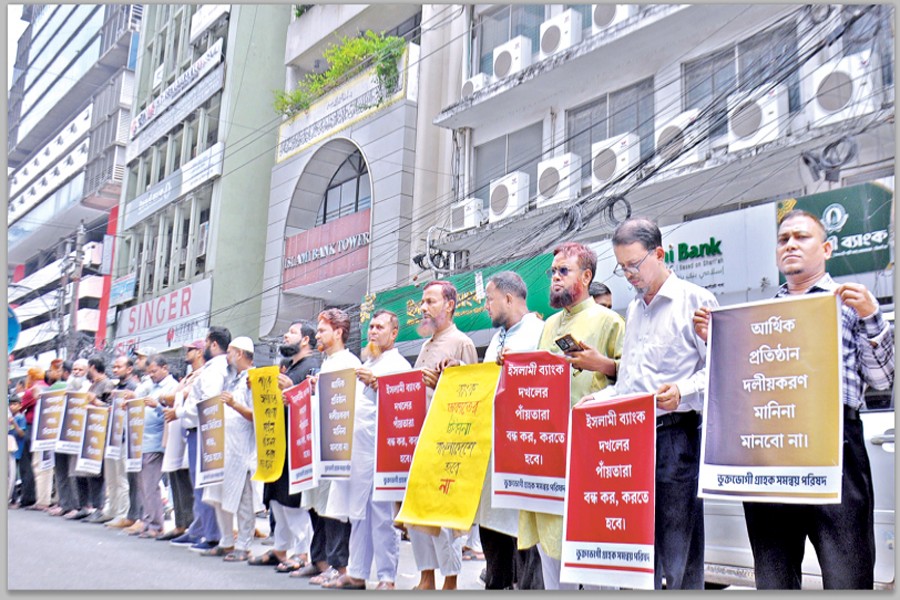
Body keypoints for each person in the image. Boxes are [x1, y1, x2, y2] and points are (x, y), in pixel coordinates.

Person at [694, 210, 894, 589]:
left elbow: (883, 378)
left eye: (801, 237)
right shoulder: (753, 317)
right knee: (773, 577)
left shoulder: (851, 305)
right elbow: (738, 393)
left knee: (847, 575)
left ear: (827, 248)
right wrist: (717, 341)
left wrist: (871, 317)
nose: (790, 244)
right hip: (768, 450)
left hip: (834, 447)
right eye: (783, 239)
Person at [584, 218, 717, 590]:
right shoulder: (634, 310)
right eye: (622, 267)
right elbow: (632, 382)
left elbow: (721, 372)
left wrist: (683, 390)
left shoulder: (696, 301)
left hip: (678, 437)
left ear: (659, 254)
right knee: (644, 550)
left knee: (679, 550)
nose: (628, 274)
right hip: (634, 437)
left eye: (635, 264)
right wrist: (603, 398)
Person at [520, 242, 625, 590]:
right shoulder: (548, 326)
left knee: (595, 555)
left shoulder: (609, 321)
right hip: (550, 455)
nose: (555, 279)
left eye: (563, 272)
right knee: (552, 554)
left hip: (593, 458)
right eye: (553, 272)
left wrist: (606, 366)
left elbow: (635, 382)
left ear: (587, 275)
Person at [322, 310, 411, 590]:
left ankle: (387, 577)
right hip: (359, 452)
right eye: (370, 327)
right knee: (358, 512)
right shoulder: (368, 362)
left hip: (383, 453)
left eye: (379, 327)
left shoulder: (398, 365)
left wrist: (377, 383)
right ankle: (357, 573)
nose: (373, 331)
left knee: (382, 516)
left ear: (393, 333)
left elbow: (404, 403)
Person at [474, 271, 546, 590]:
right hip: (492, 451)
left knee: (524, 536)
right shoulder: (496, 339)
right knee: (491, 528)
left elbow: (546, 383)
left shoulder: (539, 332)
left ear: (508, 298)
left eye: (489, 299)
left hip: (524, 451)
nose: (486, 307)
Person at [407, 280, 478, 591]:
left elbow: (471, 396)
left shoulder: (462, 343)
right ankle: (426, 577)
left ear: (449, 305)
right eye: (422, 302)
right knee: (417, 512)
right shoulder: (425, 346)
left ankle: (450, 581)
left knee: (444, 519)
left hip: (448, 443)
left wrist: (442, 385)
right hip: (420, 440)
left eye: (430, 301)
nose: (423, 308)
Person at [297, 309, 358, 586]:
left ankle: (338, 565)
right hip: (319, 447)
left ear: (338, 332)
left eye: (322, 330)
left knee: (335, 509)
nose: (318, 335)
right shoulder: (329, 363)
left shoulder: (348, 363)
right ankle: (320, 560)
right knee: (318, 505)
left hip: (338, 450)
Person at [252, 322, 319, 572]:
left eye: (291, 332)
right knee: (276, 498)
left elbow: (313, 402)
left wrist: (291, 389)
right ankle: (281, 548)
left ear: (305, 340)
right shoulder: (289, 367)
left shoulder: (312, 367)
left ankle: (302, 552)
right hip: (278, 441)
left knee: (293, 500)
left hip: (298, 445)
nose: (285, 336)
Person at [166, 327, 231, 552]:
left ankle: (209, 533)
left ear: (213, 344)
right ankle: (199, 529)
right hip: (202, 428)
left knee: (204, 483)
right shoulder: (217, 368)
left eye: (205, 343)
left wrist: (181, 412)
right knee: (200, 483)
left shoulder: (215, 370)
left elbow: (207, 402)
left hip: (203, 428)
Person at [200, 337, 258, 562]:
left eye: (231, 352)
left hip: (242, 449)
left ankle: (243, 545)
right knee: (218, 495)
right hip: (223, 445)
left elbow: (259, 416)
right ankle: (226, 541)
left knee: (244, 499)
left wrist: (235, 404)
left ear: (241, 354)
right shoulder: (230, 378)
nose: (227, 356)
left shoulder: (255, 378)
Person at [155, 340, 204, 542]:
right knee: (176, 479)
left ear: (200, 352)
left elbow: (182, 396)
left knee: (187, 482)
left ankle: (192, 526)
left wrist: (168, 397)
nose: (187, 352)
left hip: (190, 431)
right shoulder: (189, 375)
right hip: (176, 431)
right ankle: (181, 524)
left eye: (190, 349)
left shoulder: (202, 374)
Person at [131, 355, 178, 539]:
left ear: (165, 368)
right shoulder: (150, 386)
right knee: (142, 484)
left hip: (157, 440)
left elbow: (169, 413)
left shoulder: (171, 387)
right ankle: (147, 519)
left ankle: (156, 524)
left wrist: (157, 405)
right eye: (149, 372)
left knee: (151, 484)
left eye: (154, 371)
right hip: (143, 440)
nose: (151, 375)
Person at [88, 355, 137, 526]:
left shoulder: (133, 388)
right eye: (114, 367)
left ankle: (123, 512)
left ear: (129, 369)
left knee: (122, 477)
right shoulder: (117, 387)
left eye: (119, 367)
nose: (115, 370)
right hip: (112, 435)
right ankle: (112, 510)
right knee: (112, 477)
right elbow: (109, 408)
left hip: (124, 437)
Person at [16, 367, 47, 509]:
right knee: (42, 464)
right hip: (46, 428)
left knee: (27, 463)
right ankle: (40, 496)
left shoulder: (31, 390)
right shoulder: (48, 388)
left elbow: (19, 408)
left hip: (31, 427)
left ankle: (28, 496)